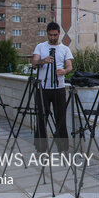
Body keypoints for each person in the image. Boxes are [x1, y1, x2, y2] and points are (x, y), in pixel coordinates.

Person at [31, 22, 73, 152]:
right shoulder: (40, 46)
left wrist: (64, 72)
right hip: (43, 89)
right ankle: (41, 149)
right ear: (47, 34)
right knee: (41, 118)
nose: (53, 38)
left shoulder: (65, 49)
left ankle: (63, 148)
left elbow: (70, 66)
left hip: (58, 88)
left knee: (60, 118)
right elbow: (33, 63)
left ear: (59, 33)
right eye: (50, 35)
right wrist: (43, 61)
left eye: (55, 35)